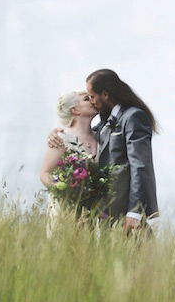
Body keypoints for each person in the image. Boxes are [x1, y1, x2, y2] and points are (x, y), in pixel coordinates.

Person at [48, 69, 158, 232]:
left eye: (92, 96)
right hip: (107, 216)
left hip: (127, 213)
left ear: (105, 95)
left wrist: (135, 212)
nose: (92, 101)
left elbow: (140, 166)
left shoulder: (133, 116)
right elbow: (81, 135)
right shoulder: (104, 124)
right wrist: (56, 133)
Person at [41, 91, 98, 237]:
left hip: (90, 214)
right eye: (87, 99)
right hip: (65, 212)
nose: (92, 100)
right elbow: (45, 173)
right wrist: (65, 190)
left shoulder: (100, 138)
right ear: (75, 110)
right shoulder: (61, 138)